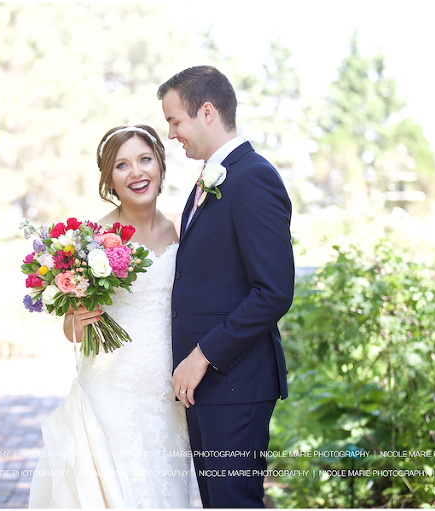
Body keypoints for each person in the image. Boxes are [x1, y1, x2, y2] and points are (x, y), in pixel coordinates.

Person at [28, 125, 192, 508]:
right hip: (110, 390)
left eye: (144, 159)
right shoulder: (92, 238)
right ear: (109, 179)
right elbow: (70, 328)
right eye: (122, 165)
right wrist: (77, 320)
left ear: (160, 166)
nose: (136, 172)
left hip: (168, 389)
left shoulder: (183, 228)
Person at [158, 65, 295, 508]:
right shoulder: (210, 178)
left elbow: (273, 291)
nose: (172, 133)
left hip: (235, 383)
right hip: (211, 388)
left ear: (208, 111)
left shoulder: (252, 176)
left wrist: (201, 356)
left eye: (176, 120)